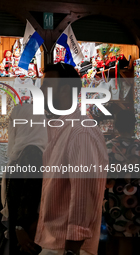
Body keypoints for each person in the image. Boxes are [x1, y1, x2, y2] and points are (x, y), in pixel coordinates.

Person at [35, 63, 108, 255]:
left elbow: (84, 191)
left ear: (65, 90)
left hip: (68, 247)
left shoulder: (80, 131)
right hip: (55, 243)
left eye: (47, 86)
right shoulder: (62, 127)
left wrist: (72, 248)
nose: (41, 90)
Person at [0, 103, 47, 255]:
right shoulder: (27, 152)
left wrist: (20, 226)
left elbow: (30, 193)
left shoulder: (31, 152)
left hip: (27, 233)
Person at [103, 110, 140, 255]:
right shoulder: (138, 147)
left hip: (112, 199)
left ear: (116, 125)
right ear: (134, 125)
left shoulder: (106, 148)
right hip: (134, 201)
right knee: (127, 239)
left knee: (110, 239)